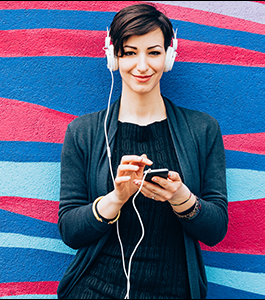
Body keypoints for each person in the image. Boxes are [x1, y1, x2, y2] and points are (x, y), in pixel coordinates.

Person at [57, 3, 228, 299]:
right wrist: (117, 198)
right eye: (130, 52)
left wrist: (181, 198)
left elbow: (215, 230)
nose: (142, 66)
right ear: (113, 57)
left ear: (169, 56)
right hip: (94, 289)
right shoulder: (83, 132)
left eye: (153, 52)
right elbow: (70, 231)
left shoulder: (202, 129)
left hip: (174, 291)